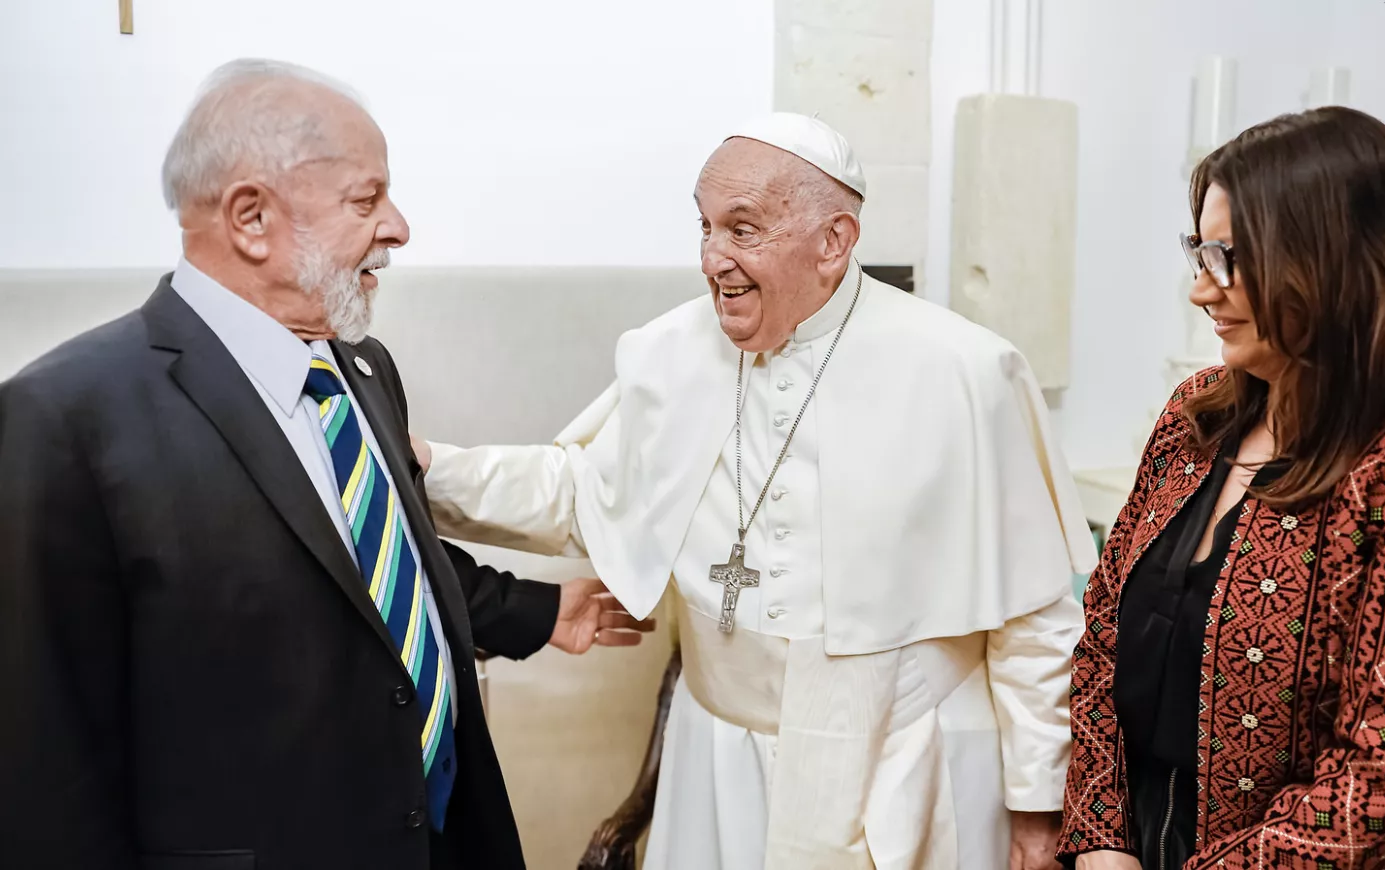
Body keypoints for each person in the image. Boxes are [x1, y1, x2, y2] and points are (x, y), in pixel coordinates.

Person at [0, 59, 650, 870]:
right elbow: (44, 760)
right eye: (366, 199)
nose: (400, 227)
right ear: (251, 219)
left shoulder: (364, 369)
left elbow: (374, 569)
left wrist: (534, 611)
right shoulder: (63, 420)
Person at [413, 112, 1098, 870]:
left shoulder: (966, 371)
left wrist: (1037, 806)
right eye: (703, 228)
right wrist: (424, 470)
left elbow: (1035, 615)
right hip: (721, 758)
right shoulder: (672, 352)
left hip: (910, 757)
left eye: (743, 230)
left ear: (834, 242)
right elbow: (582, 491)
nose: (713, 260)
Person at [1060, 106, 1385, 870]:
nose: (1201, 291)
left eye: (1230, 257)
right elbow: (1104, 638)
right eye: (1198, 253)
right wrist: (1103, 839)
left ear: (1341, 262)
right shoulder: (1197, 416)